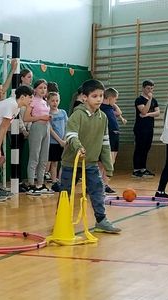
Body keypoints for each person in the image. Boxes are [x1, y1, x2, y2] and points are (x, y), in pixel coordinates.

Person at [60, 79, 121, 234]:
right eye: (95, 96)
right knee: (66, 193)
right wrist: (79, 147)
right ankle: (61, 220)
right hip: (71, 163)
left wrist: (108, 165)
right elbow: (71, 135)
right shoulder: (77, 115)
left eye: (101, 95)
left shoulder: (103, 117)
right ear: (85, 97)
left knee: (97, 190)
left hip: (91, 162)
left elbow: (105, 142)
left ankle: (101, 220)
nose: (99, 99)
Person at [24, 79, 52, 195]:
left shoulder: (45, 101)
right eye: (40, 88)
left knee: (44, 157)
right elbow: (26, 118)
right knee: (34, 156)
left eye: (45, 88)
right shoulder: (33, 101)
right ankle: (31, 184)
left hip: (46, 128)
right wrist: (41, 118)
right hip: (37, 128)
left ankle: (40, 184)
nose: (43, 90)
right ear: (35, 89)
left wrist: (47, 118)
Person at [99, 88, 127, 194]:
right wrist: (110, 101)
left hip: (115, 135)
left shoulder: (110, 107)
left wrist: (113, 103)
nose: (116, 102)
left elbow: (119, 112)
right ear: (110, 98)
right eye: (115, 99)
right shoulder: (101, 108)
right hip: (108, 136)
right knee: (103, 162)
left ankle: (105, 184)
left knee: (112, 161)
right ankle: (99, 184)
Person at [132, 80, 160, 178]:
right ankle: (136, 169)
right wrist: (149, 100)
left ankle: (143, 168)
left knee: (146, 148)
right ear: (143, 88)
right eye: (148, 88)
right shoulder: (139, 100)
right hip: (140, 128)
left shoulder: (154, 100)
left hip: (149, 127)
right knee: (139, 148)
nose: (150, 90)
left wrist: (148, 114)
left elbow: (157, 113)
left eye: (152, 88)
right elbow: (143, 111)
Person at [47, 91, 68, 192]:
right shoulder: (48, 114)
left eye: (57, 100)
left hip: (64, 142)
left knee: (63, 162)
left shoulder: (63, 112)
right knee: (54, 163)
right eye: (52, 101)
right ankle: (54, 182)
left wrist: (64, 139)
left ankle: (61, 181)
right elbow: (50, 129)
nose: (55, 103)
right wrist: (59, 140)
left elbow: (67, 125)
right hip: (53, 142)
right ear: (48, 101)